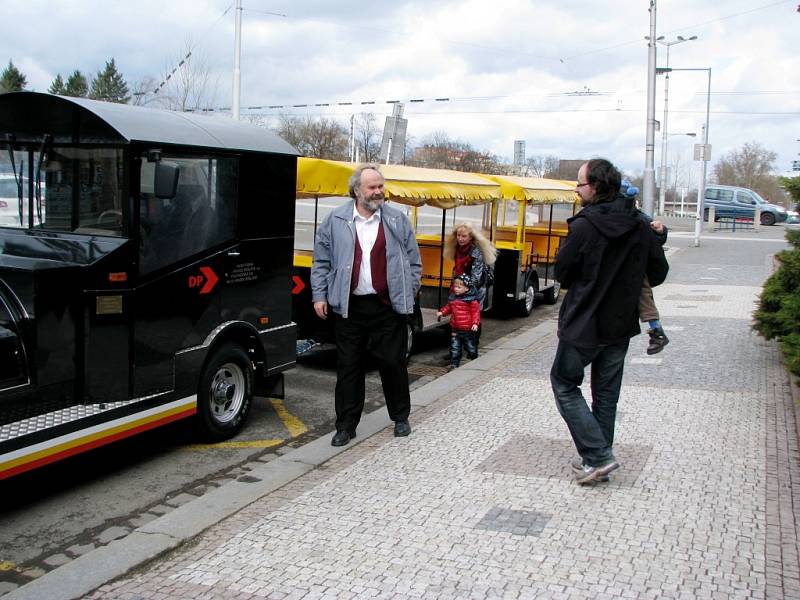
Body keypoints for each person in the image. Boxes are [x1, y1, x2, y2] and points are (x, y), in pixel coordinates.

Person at [551, 159, 669, 484]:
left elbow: (562, 272)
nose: (576, 189)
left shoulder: (584, 226)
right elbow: (658, 272)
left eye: (580, 184)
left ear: (597, 187)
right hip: (619, 326)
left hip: (583, 325)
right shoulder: (639, 226)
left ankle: (599, 456)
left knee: (564, 384)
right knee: (606, 396)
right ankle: (597, 461)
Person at [311, 164, 422, 447]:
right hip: (350, 307)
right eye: (372, 187)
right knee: (349, 367)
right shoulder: (335, 220)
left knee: (393, 363)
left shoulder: (397, 219)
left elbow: (413, 261)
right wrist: (319, 295)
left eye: (381, 186)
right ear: (357, 190)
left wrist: (409, 290)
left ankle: (400, 418)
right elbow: (321, 261)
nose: (378, 192)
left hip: (387, 306)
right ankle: (346, 426)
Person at [620, 179, 670, 355]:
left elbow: (656, 238)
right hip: (629, 269)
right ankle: (656, 331)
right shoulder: (634, 216)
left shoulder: (639, 218)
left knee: (643, 291)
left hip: (633, 268)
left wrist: (661, 231)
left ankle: (657, 331)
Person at [443, 222, 497, 309]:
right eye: (458, 235)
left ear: (471, 237)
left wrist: (463, 289)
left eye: (464, 236)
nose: (460, 239)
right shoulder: (457, 248)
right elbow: (456, 270)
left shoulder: (476, 251)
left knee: (472, 317)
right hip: (459, 287)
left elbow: (476, 277)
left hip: (475, 289)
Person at [436, 273, 481, 370]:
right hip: (455, 328)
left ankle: (475, 358)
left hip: (468, 329)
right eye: (455, 287)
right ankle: (454, 364)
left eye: (459, 287)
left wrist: (475, 324)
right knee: (454, 347)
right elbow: (449, 308)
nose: (456, 289)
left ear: (467, 288)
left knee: (470, 347)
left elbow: (475, 313)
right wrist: (442, 312)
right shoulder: (453, 298)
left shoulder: (472, 300)